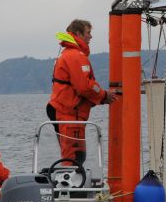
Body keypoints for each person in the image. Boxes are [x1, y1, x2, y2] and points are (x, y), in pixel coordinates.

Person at [47, 19, 117, 164]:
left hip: (68, 112)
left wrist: (101, 95)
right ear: (78, 34)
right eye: (88, 33)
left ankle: (71, 183)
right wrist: (104, 95)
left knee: (75, 156)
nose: (90, 37)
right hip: (68, 113)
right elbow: (85, 86)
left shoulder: (70, 55)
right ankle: (69, 185)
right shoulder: (75, 56)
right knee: (73, 157)